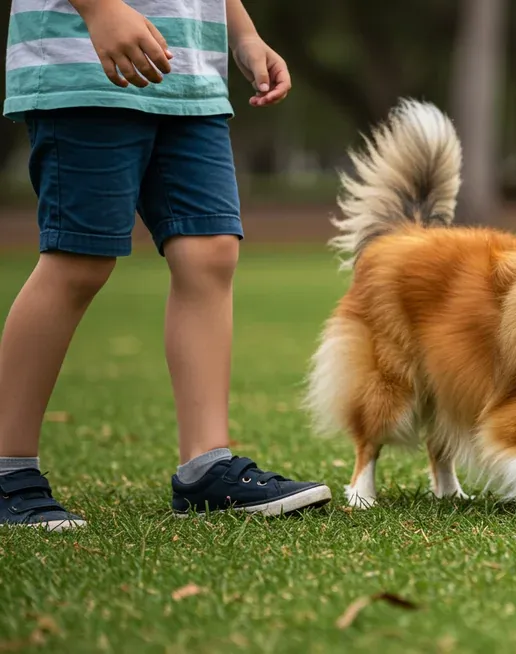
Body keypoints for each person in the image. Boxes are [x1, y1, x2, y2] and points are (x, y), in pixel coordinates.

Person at [0, 0, 331, 530]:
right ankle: (7, 468)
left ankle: (206, 465)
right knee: (77, 259)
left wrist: (243, 35)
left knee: (210, 251)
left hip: (192, 81)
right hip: (84, 65)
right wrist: (99, 9)